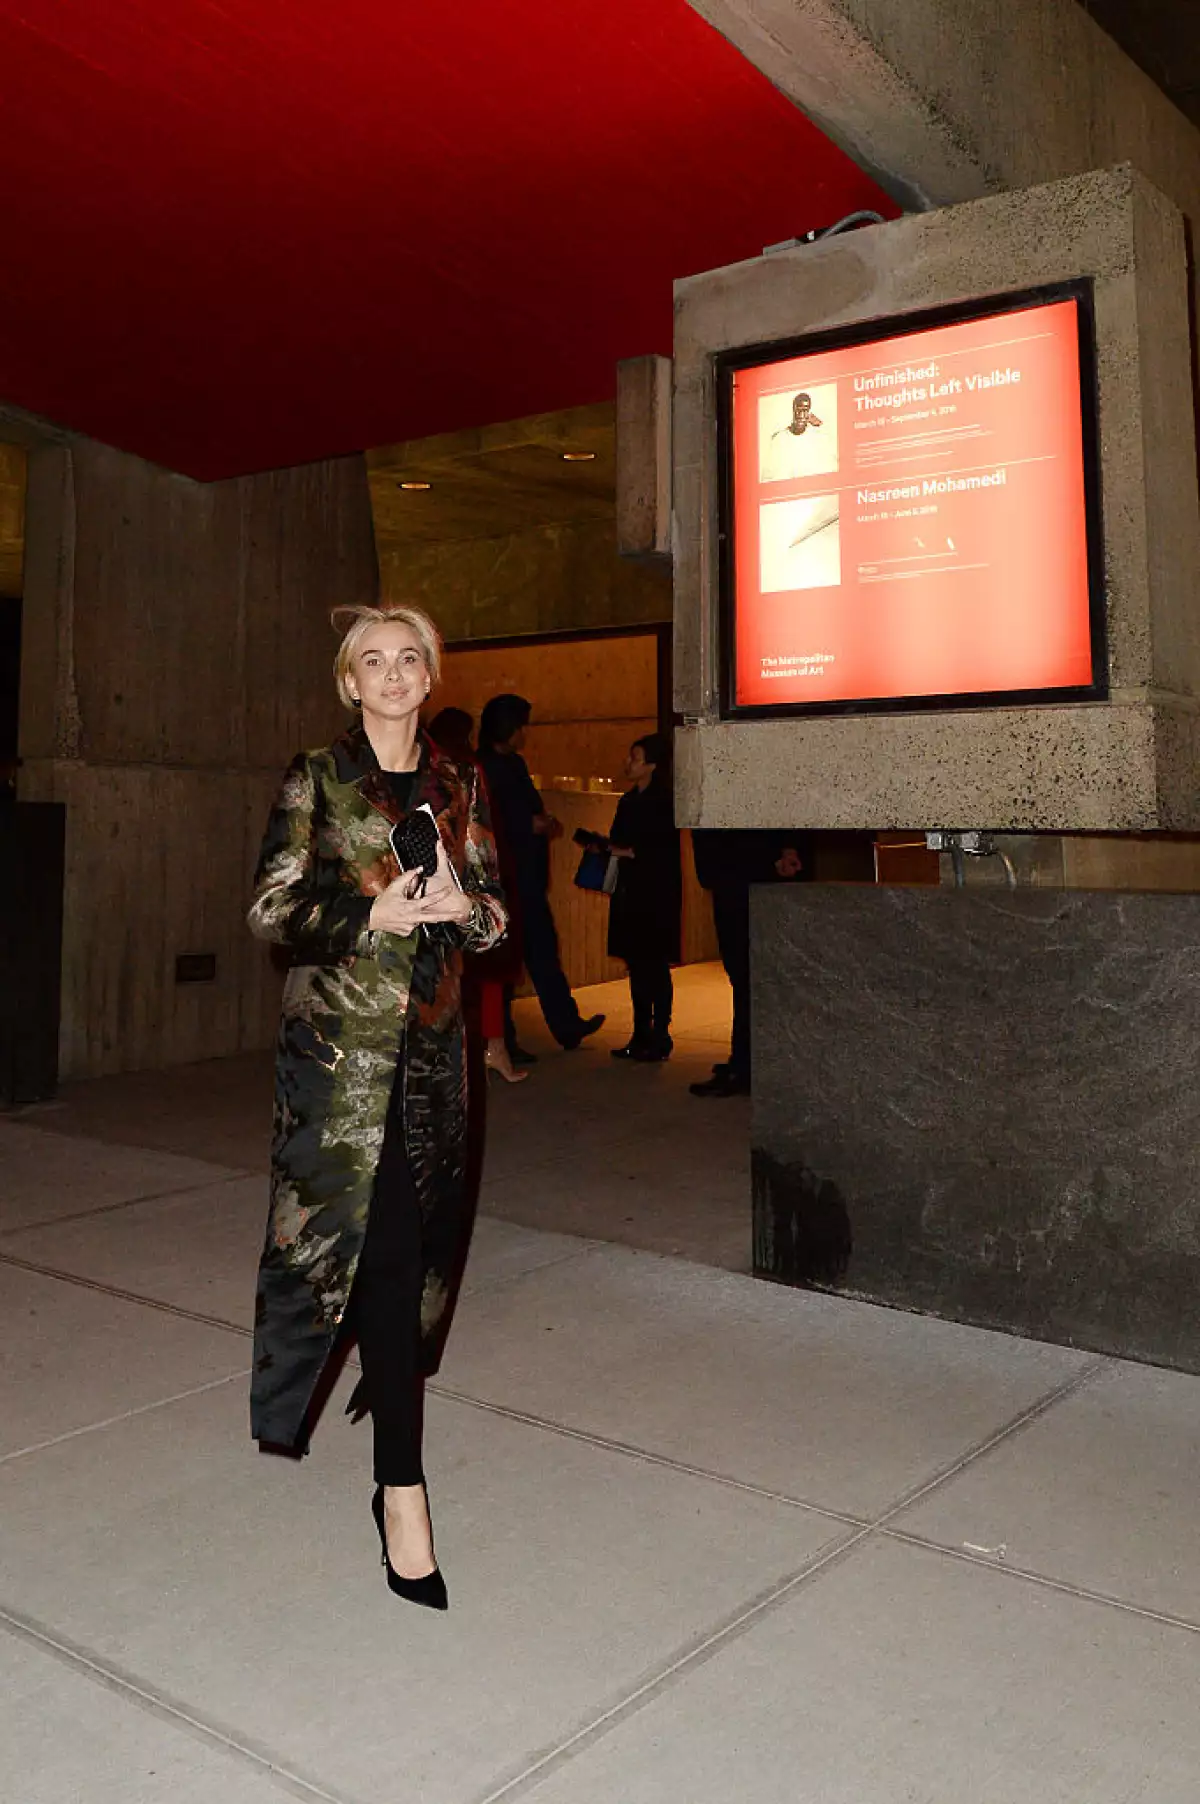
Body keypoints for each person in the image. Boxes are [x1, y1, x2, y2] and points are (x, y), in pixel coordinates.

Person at [248, 603, 507, 1611]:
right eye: (374, 662)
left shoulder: (462, 782)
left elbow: (493, 915)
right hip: (336, 1070)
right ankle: (403, 1494)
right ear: (349, 682)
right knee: (379, 1259)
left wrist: (459, 908)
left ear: (431, 676)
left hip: (433, 1067)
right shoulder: (316, 775)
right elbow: (272, 908)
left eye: (411, 659)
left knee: (399, 1258)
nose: (394, 675)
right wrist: (371, 912)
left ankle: (393, 1465)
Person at [477, 692, 604, 1052]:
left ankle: (566, 1025)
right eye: (522, 726)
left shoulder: (513, 764)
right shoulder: (483, 766)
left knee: (543, 953)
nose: (525, 733)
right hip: (505, 880)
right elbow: (489, 819)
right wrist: (527, 824)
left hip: (528, 877)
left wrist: (545, 824)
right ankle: (504, 1040)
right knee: (505, 962)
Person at [428, 705, 528, 1085]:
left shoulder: (436, 770)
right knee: (482, 974)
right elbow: (484, 838)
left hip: (444, 888)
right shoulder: (467, 771)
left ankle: (482, 1053)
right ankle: (493, 1050)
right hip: (468, 886)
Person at [689, 830, 806, 1098]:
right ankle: (748, 1060)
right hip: (745, 877)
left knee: (748, 979)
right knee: (750, 979)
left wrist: (774, 857)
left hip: (743, 880)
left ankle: (746, 1065)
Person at [592, 733, 681, 1062]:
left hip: (655, 891)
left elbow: (659, 850)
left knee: (654, 963)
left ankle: (660, 1034)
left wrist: (626, 850)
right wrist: (603, 845)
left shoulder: (665, 801)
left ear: (652, 765)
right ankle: (641, 1033)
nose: (628, 763)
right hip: (630, 890)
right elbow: (619, 839)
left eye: (635, 758)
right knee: (637, 964)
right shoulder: (628, 800)